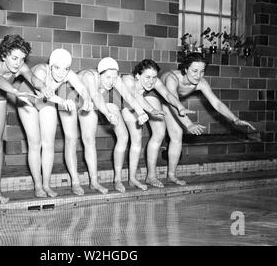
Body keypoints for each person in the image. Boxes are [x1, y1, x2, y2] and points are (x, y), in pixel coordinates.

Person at [0, 34, 53, 204]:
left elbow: (32, 78)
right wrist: (15, 91)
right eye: (14, 58)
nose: (18, 63)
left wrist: (43, 87)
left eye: (21, 59)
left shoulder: (20, 66)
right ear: (4, 54)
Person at [160, 53, 256, 185]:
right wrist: (188, 124)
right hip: (157, 98)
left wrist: (234, 119)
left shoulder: (201, 82)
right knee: (159, 134)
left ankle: (171, 175)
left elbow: (216, 103)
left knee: (177, 135)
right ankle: (151, 176)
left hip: (173, 103)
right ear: (185, 69)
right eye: (194, 71)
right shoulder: (172, 78)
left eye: (202, 71)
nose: (198, 75)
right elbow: (172, 101)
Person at [17, 48, 93, 198]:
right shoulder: (41, 71)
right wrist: (63, 101)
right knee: (35, 143)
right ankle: (38, 185)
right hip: (27, 101)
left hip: (46, 102)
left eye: (66, 69)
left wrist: (88, 100)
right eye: (57, 68)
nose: (61, 73)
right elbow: (42, 92)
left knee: (48, 144)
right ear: (50, 66)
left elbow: (82, 88)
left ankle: (46, 184)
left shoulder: (67, 74)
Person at [77, 57, 153, 194]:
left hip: (101, 98)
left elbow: (129, 96)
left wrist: (141, 113)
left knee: (123, 136)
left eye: (114, 77)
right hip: (79, 97)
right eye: (107, 77)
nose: (111, 81)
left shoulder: (113, 79)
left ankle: (119, 179)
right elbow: (95, 96)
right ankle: (93, 182)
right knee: (88, 139)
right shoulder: (90, 76)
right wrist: (107, 114)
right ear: (99, 74)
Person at [121, 59, 195, 190]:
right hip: (120, 102)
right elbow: (135, 97)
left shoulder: (154, 82)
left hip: (137, 101)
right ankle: (131, 178)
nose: (151, 81)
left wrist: (180, 107)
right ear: (138, 75)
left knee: (159, 133)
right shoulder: (129, 80)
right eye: (147, 77)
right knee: (135, 137)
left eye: (154, 77)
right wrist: (151, 110)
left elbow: (167, 94)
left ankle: (150, 177)